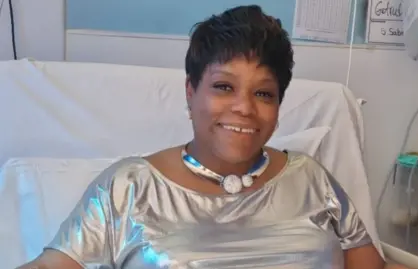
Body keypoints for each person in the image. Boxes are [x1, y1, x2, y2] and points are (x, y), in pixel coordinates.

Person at [17, 5, 398, 269]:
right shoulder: (129, 187)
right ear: (190, 91)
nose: (245, 108)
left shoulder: (314, 181)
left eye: (263, 93)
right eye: (223, 86)